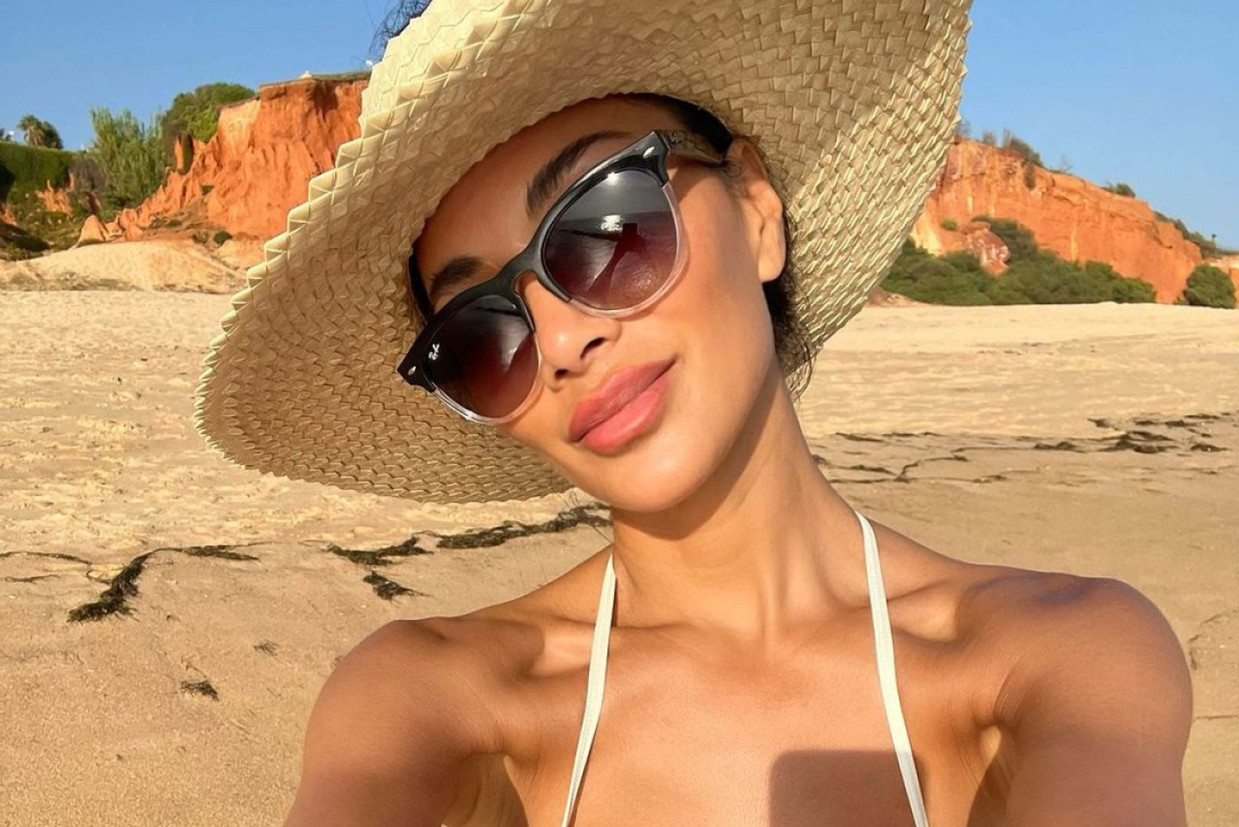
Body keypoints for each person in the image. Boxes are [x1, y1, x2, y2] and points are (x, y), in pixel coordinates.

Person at [195, 0, 1192, 824]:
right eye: (481, 332)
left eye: (606, 225)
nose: (560, 340)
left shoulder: (1055, 657)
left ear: (757, 210)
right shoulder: (430, 697)